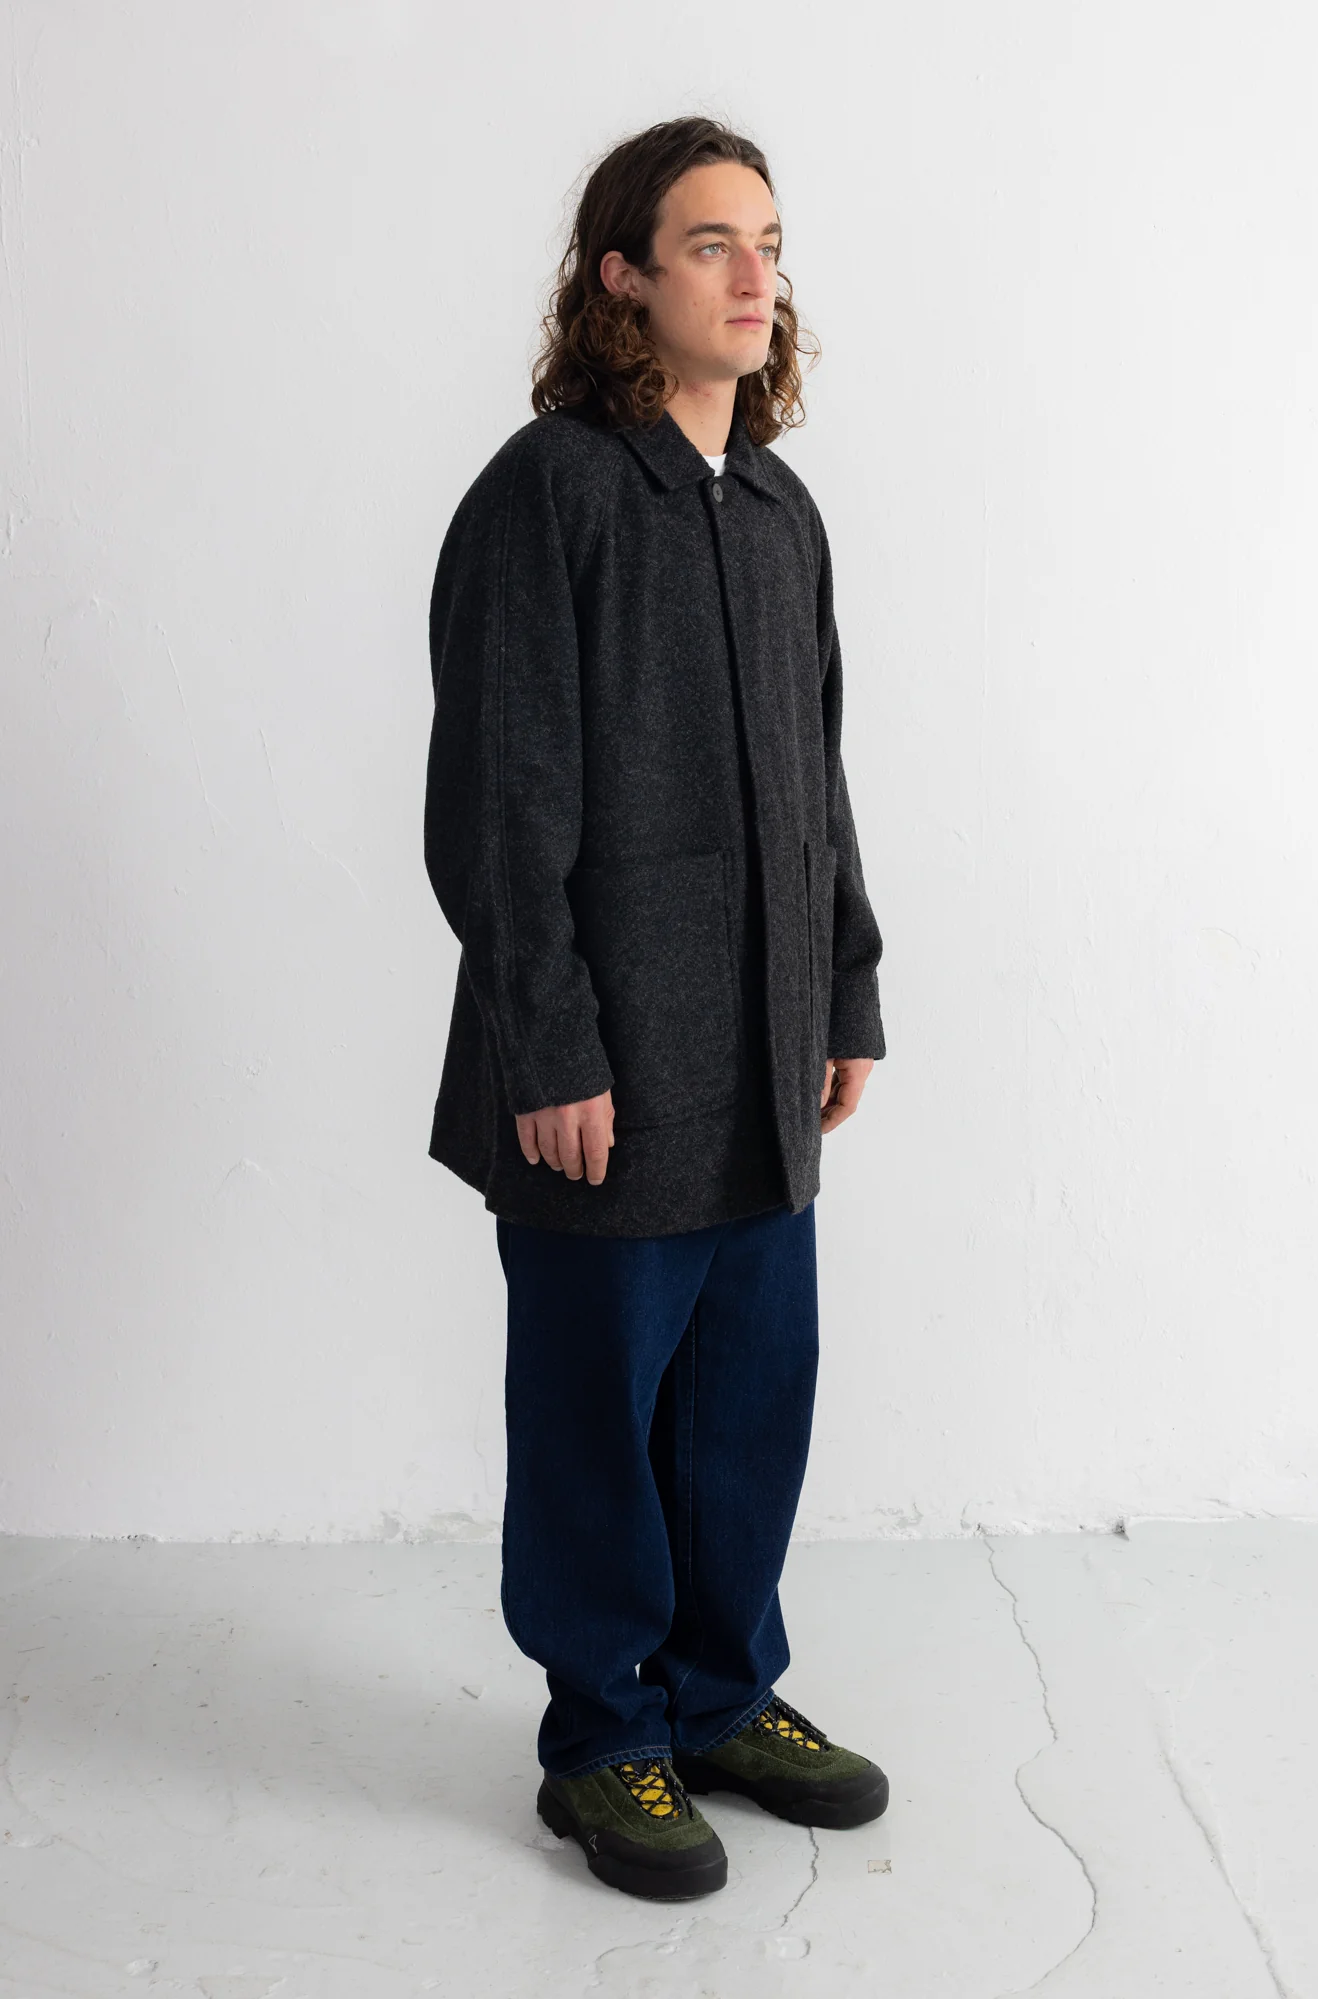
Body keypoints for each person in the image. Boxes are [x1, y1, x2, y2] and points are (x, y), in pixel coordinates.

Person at [423, 116, 889, 1902]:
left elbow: (819, 782)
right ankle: (603, 1737)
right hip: (603, 1067)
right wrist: (547, 1044)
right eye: (711, 243)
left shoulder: (777, 512)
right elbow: (499, 802)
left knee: (748, 1400)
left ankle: (721, 1695)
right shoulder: (550, 493)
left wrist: (845, 985)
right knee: (596, 1412)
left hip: (761, 1058)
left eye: (770, 242)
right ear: (621, 278)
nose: (757, 275)